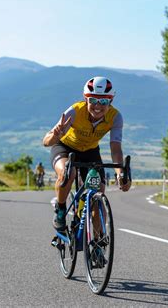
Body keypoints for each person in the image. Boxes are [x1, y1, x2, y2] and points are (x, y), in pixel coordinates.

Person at [42, 76, 131, 232]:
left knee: (98, 196)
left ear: (110, 101)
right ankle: (61, 210)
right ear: (85, 99)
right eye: (93, 100)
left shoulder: (116, 117)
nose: (98, 106)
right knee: (68, 173)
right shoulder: (74, 112)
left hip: (90, 152)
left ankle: (97, 245)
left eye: (104, 101)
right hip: (65, 147)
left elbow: (115, 148)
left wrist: (120, 172)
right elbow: (46, 141)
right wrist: (55, 136)